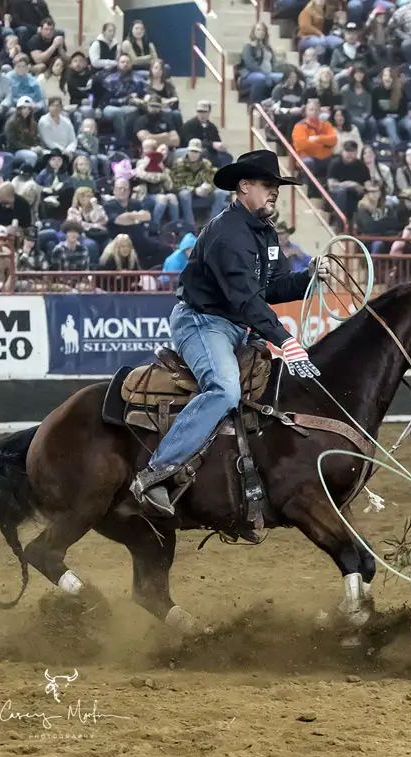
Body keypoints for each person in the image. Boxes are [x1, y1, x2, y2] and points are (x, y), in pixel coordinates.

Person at [129, 150, 332, 527]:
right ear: (244, 186)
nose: (275, 192)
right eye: (268, 185)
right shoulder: (226, 233)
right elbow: (246, 298)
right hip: (202, 322)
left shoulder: (266, 232)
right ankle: (156, 472)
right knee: (224, 389)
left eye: (276, 186)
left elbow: (272, 287)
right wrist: (284, 339)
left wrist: (308, 278)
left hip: (235, 325)